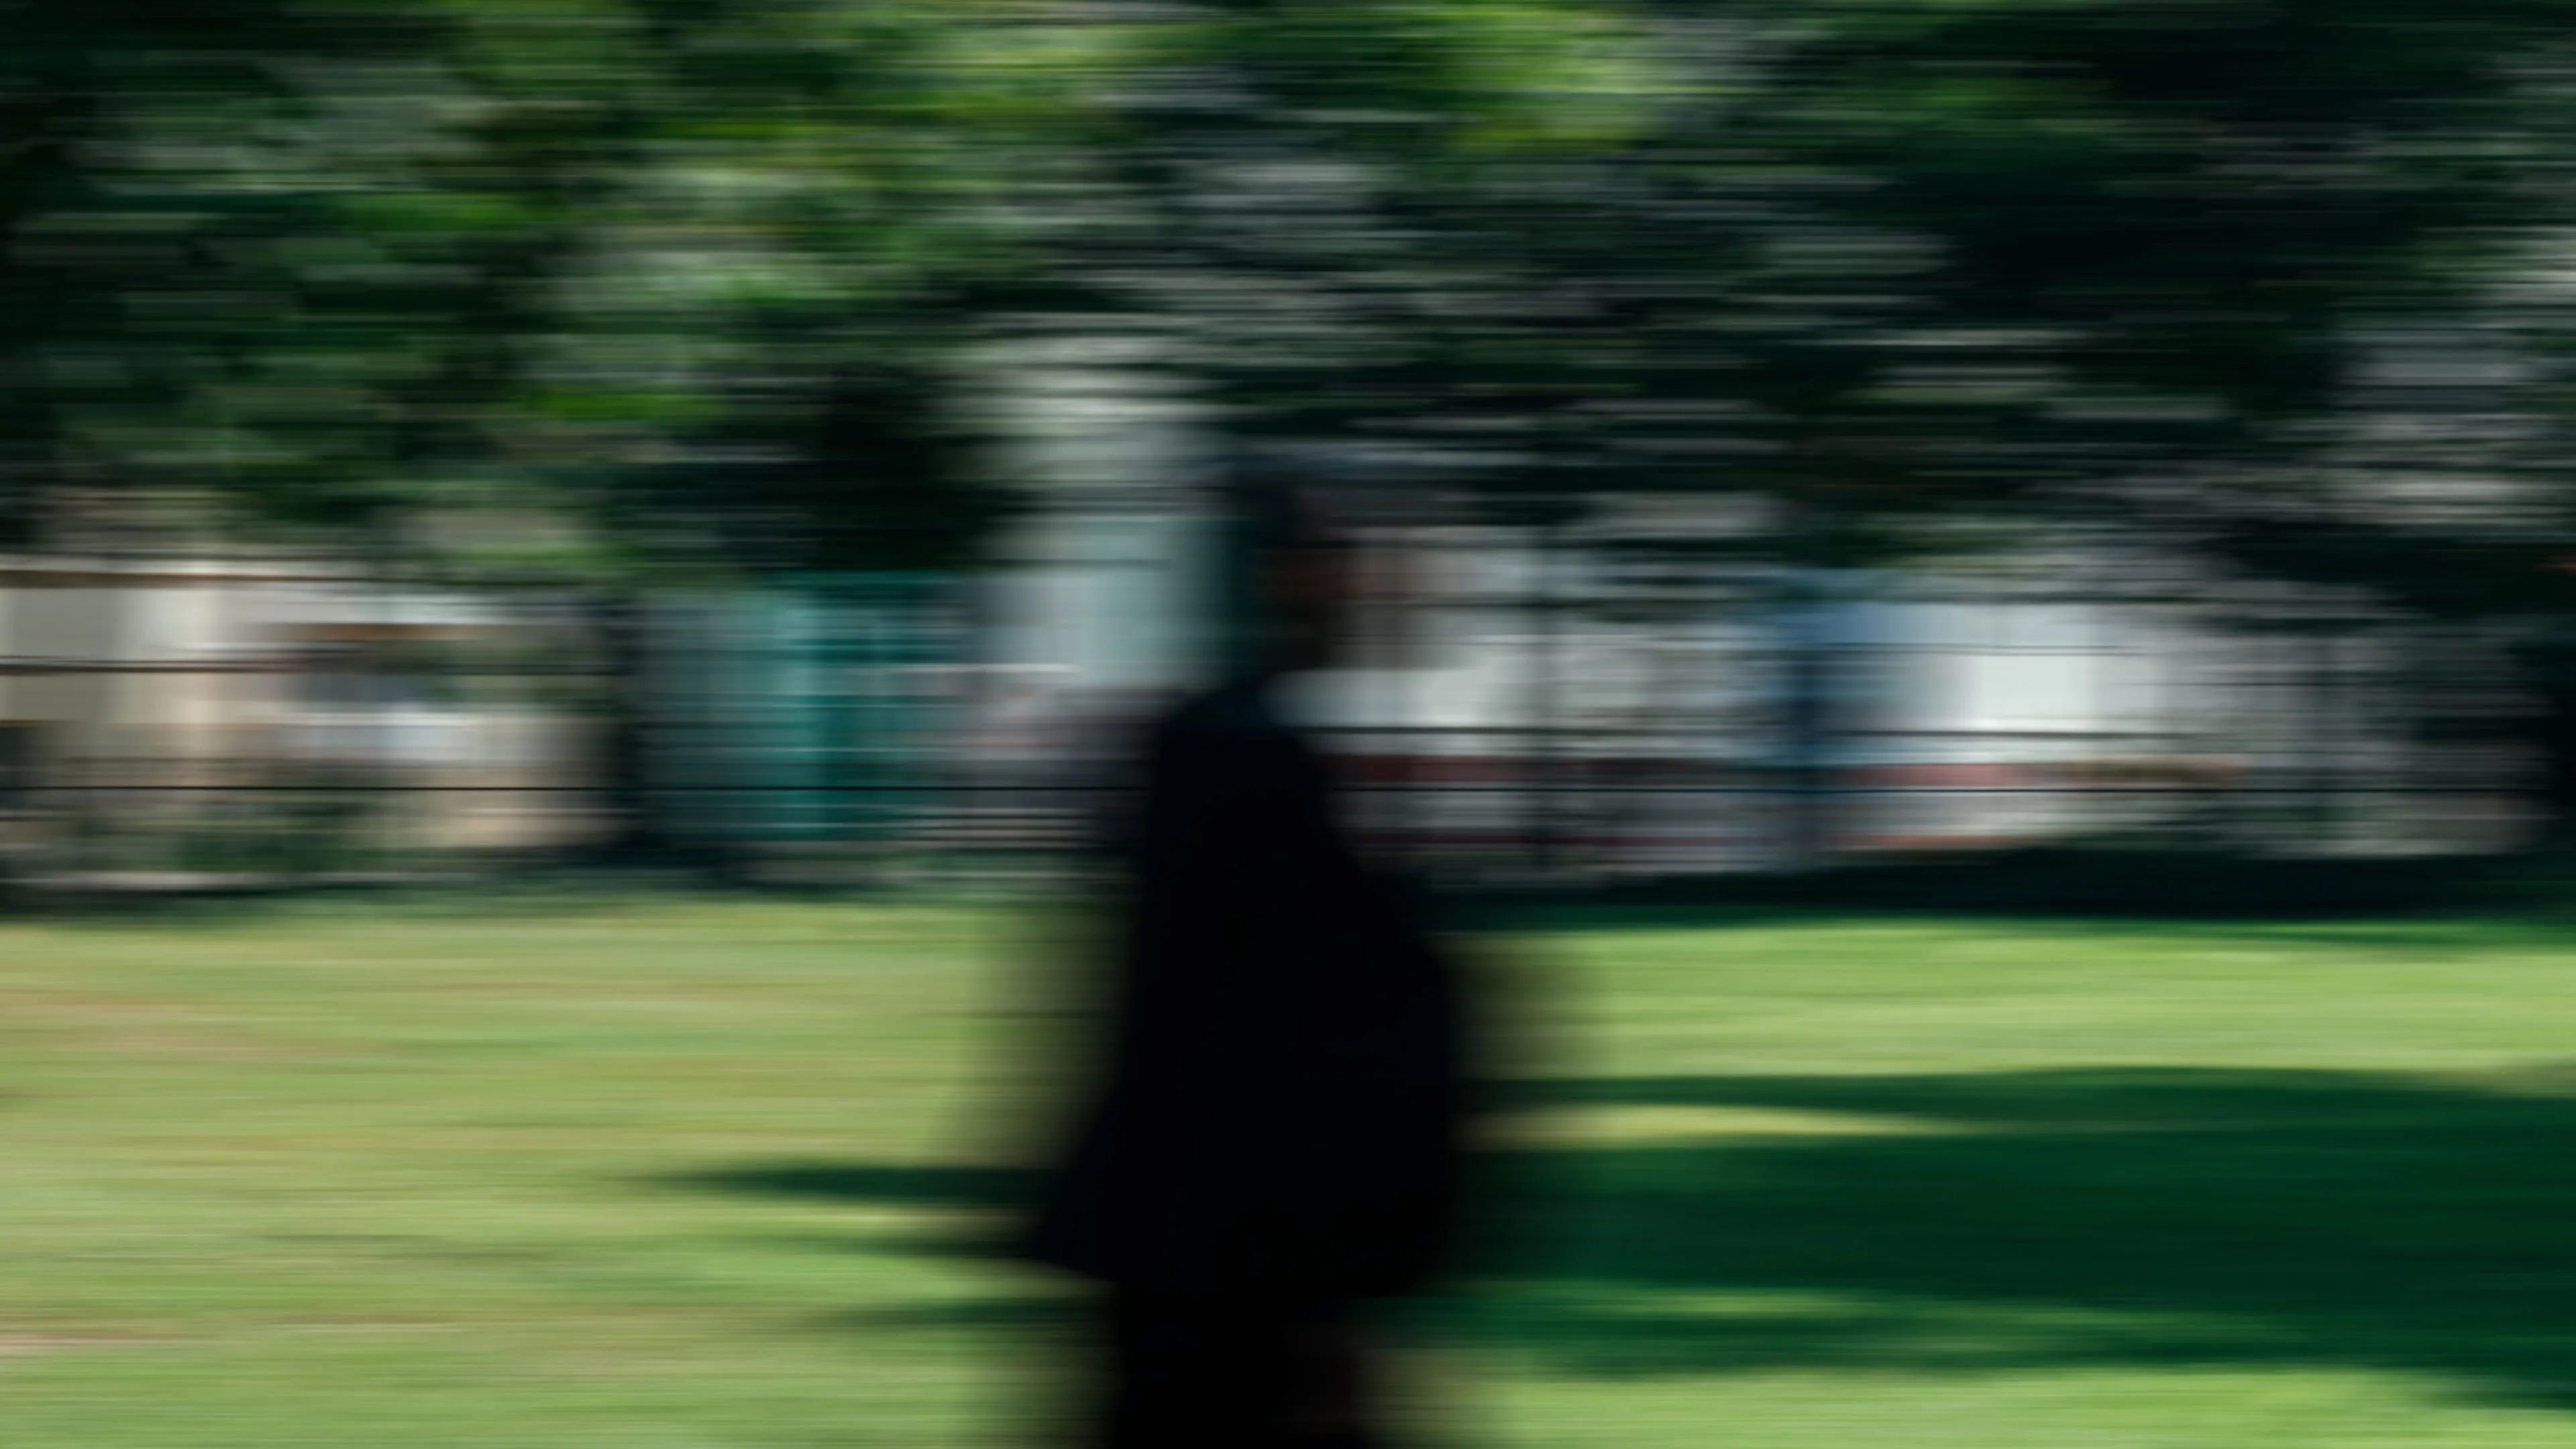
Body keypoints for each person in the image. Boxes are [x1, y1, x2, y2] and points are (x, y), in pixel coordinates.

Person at [1016, 479, 1477, 1449]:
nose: (1376, 588)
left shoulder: (1205, 748)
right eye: (1350, 562)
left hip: (1196, 1248)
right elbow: (1300, 1017)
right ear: (1288, 576)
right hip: (1236, 1260)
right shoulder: (1242, 762)